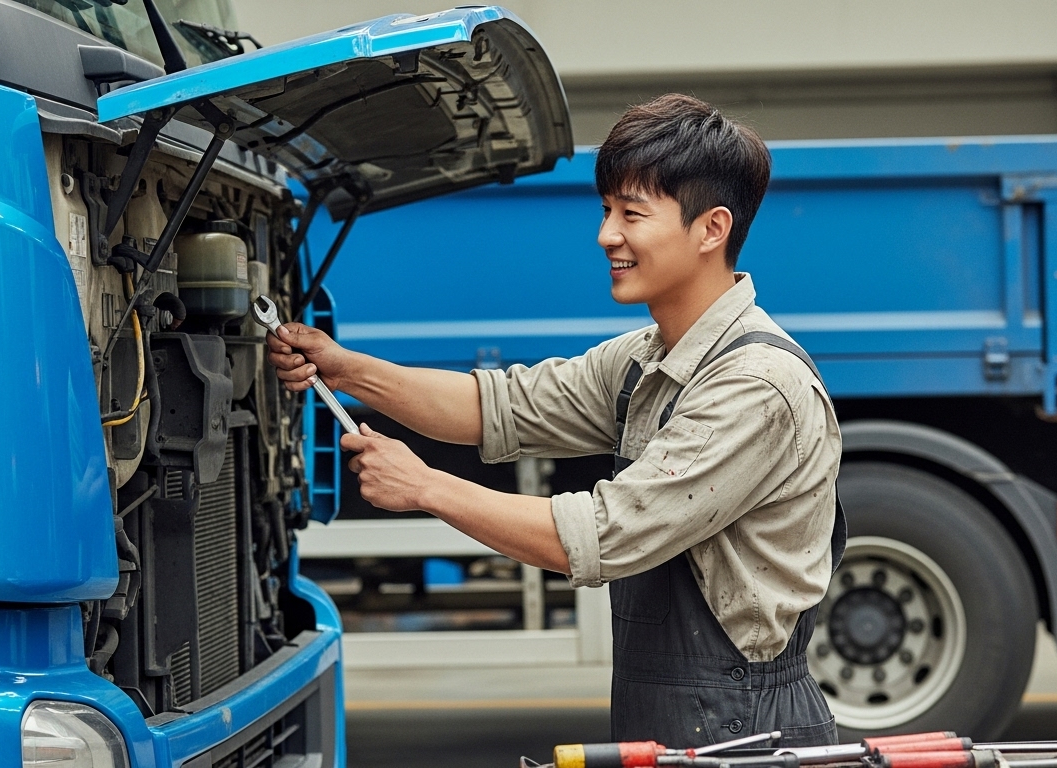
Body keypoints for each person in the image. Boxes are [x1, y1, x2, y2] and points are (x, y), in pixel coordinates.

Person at [266, 93, 844, 748]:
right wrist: (346, 369)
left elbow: (605, 535)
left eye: (632, 213)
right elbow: (498, 407)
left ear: (711, 229)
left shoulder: (754, 386)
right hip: (675, 716)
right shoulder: (648, 357)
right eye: (606, 211)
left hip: (746, 727)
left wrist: (426, 488)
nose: (606, 236)